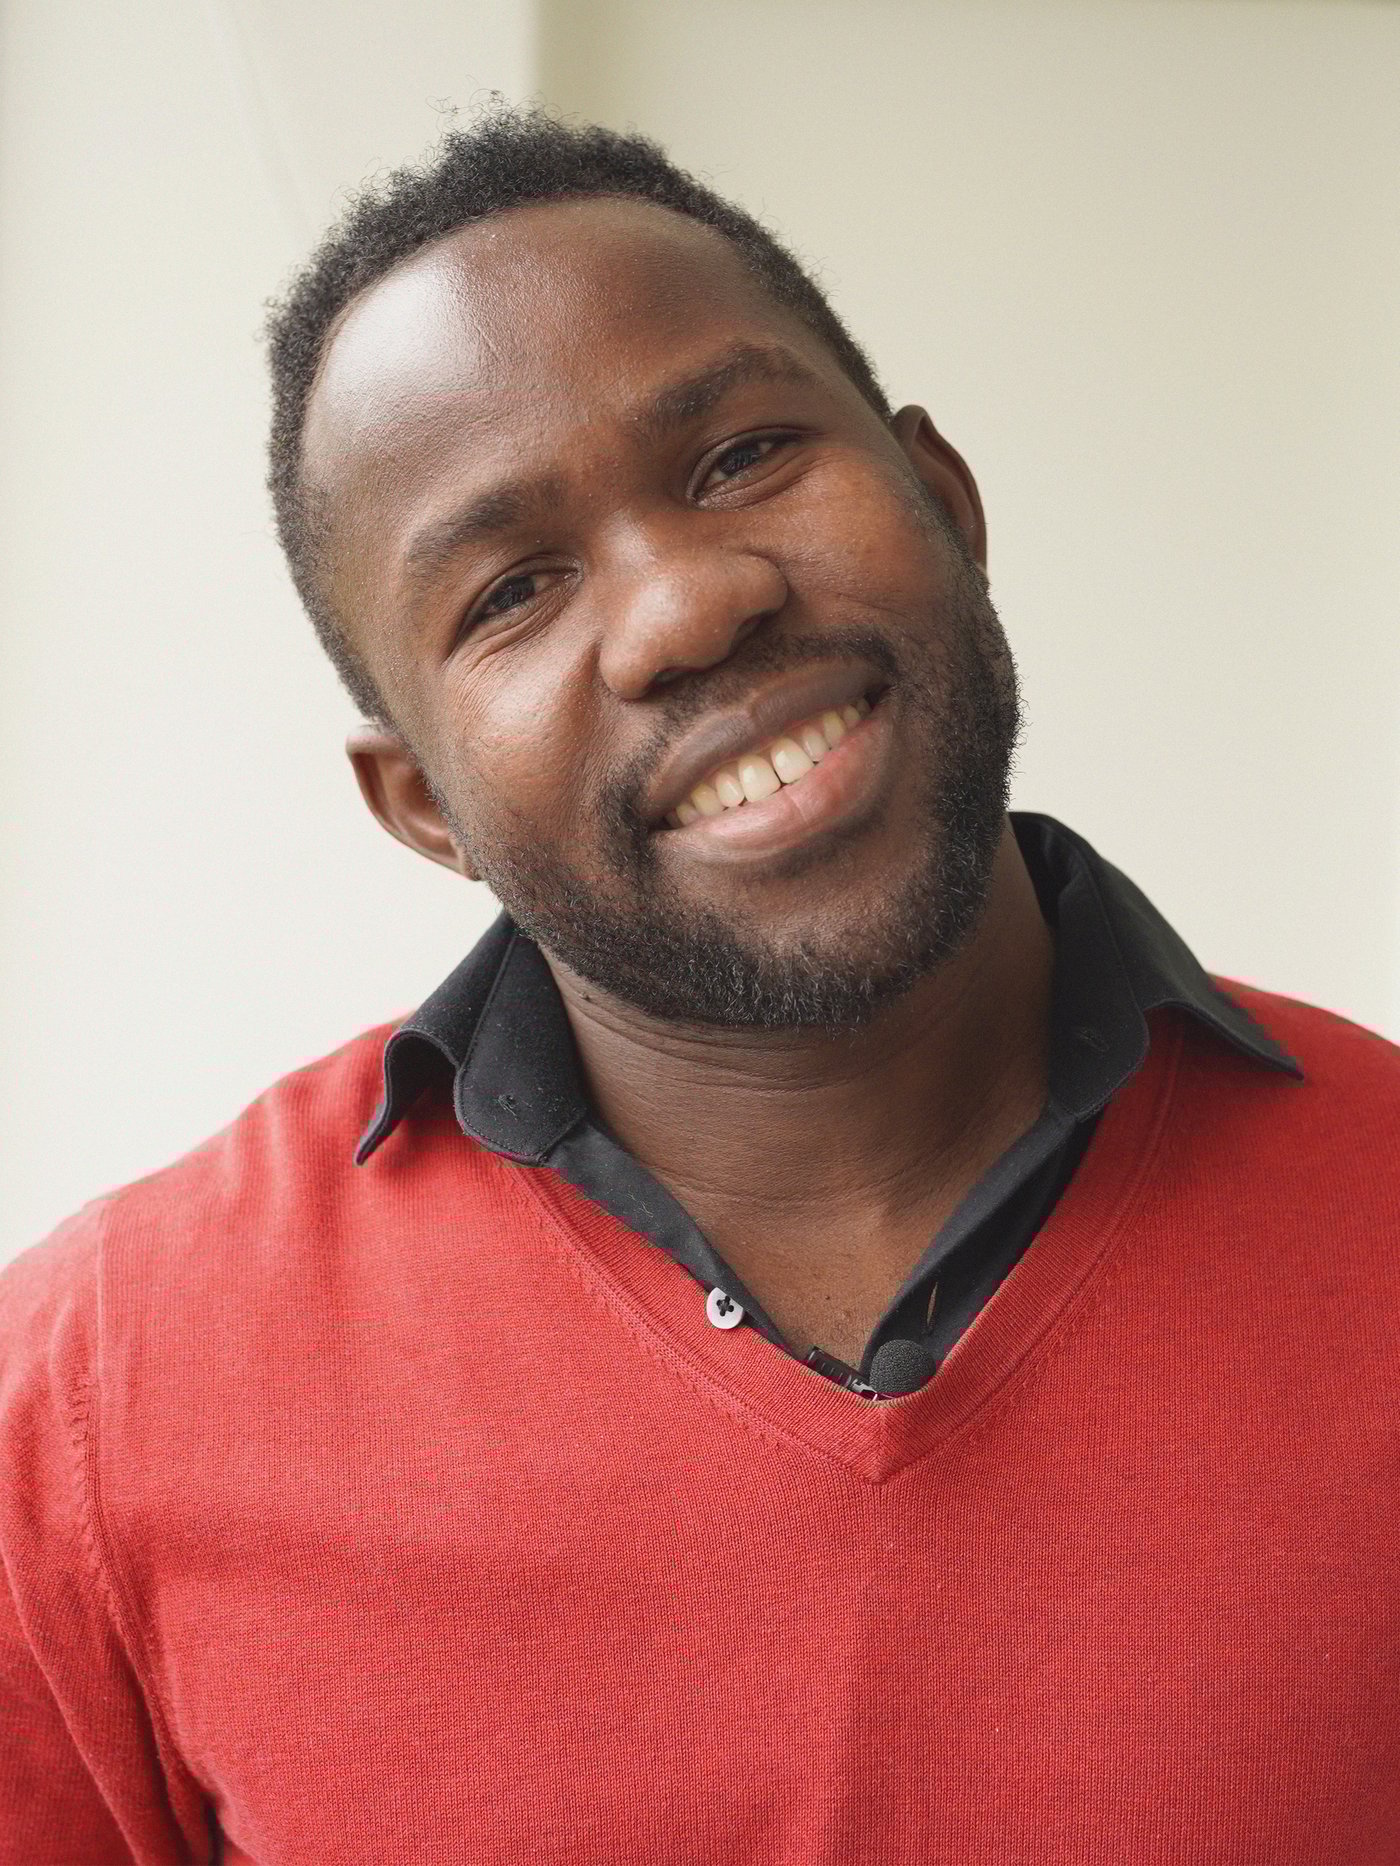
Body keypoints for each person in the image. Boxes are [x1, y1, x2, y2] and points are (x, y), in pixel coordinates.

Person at [3, 106, 1398, 1865]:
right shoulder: (95, 1392)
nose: (687, 608)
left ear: (948, 501)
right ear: (423, 803)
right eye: (512, 589)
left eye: (741, 457)